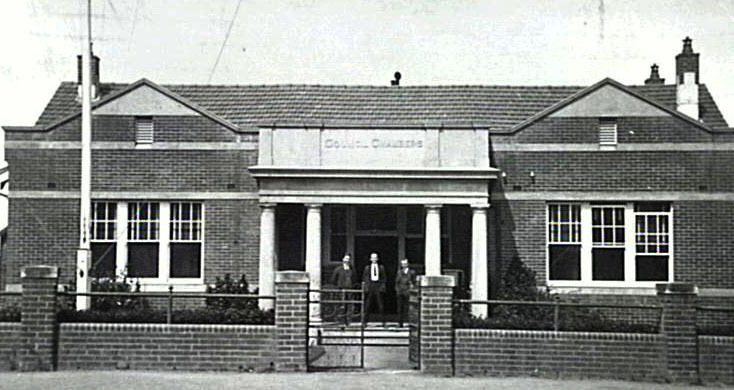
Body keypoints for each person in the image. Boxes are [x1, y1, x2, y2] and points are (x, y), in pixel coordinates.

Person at [362, 252, 386, 327]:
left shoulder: (381, 267)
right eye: (373, 258)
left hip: (377, 286)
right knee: (367, 305)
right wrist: (366, 287)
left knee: (380, 304)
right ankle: (365, 321)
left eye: (375, 258)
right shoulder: (367, 268)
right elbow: (364, 278)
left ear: (377, 259)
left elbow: (384, 278)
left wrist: (382, 287)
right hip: (370, 286)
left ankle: (383, 321)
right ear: (370, 259)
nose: (374, 259)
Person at [329, 254, 355, 325]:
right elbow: (333, 279)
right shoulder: (338, 269)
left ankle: (348, 320)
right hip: (341, 289)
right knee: (341, 305)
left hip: (350, 289)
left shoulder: (352, 269)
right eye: (346, 259)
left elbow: (355, 278)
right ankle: (341, 320)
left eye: (348, 259)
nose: (347, 261)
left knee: (349, 305)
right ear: (343, 260)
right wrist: (338, 286)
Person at [394, 258, 416, 327]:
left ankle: (410, 322)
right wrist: (397, 290)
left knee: (408, 308)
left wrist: (411, 289)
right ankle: (400, 323)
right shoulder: (399, 272)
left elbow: (413, 282)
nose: (404, 265)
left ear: (407, 264)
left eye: (405, 264)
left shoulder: (412, 272)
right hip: (400, 292)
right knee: (400, 308)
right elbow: (397, 282)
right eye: (403, 264)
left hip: (408, 292)